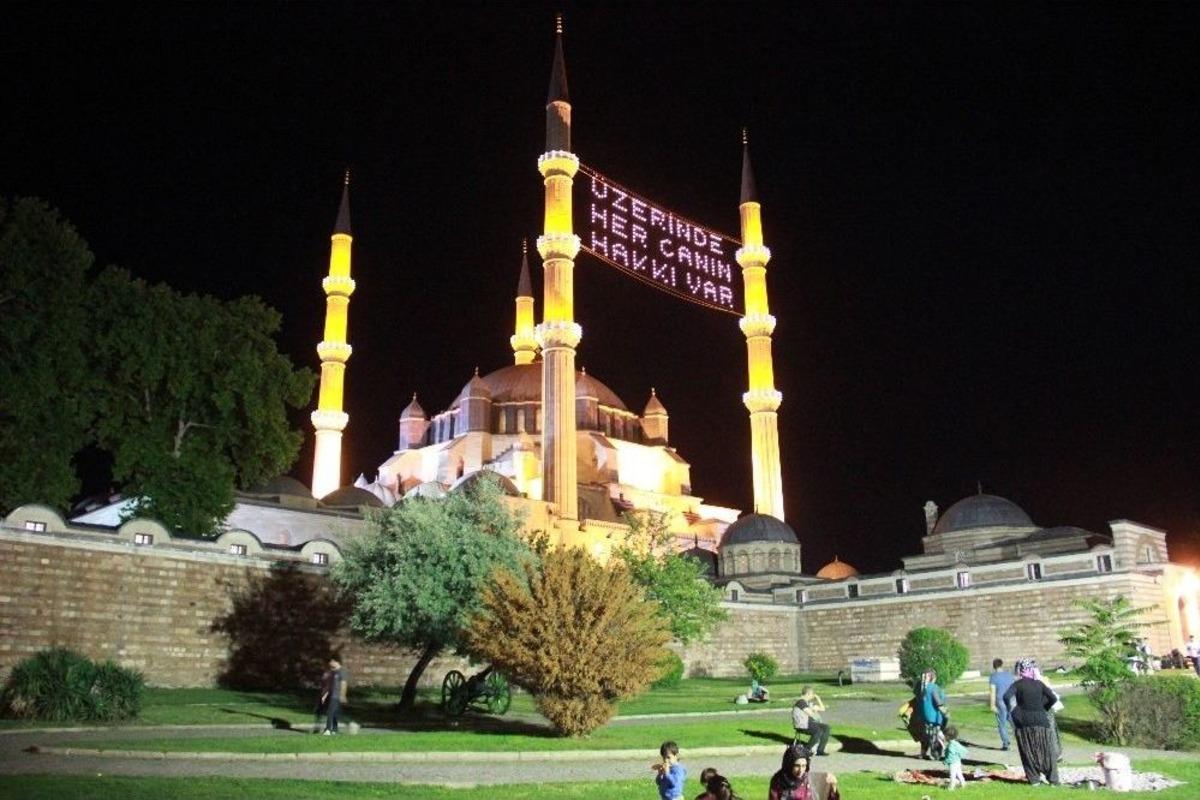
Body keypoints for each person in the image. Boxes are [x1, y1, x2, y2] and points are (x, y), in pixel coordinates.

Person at [1002, 658, 1060, 785]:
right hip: (1041, 720)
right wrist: (1044, 706)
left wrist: (1012, 710)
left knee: (1027, 750)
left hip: (1023, 721)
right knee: (1046, 750)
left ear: (1020, 670)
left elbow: (1006, 696)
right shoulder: (1039, 684)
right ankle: (1053, 780)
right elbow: (1053, 698)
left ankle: (1034, 779)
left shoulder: (1017, 684)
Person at [791, 686, 830, 755]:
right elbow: (811, 713)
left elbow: (823, 709)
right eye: (812, 694)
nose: (812, 696)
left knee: (826, 727)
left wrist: (818, 699)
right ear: (808, 694)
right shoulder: (801, 702)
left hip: (808, 723)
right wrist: (813, 709)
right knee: (818, 730)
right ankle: (807, 750)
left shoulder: (807, 703)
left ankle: (820, 750)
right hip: (801, 725)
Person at [918, 669, 948, 760]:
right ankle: (935, 754)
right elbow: (938, 702)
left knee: (926, 736)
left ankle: (923, 753)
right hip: (935, 717)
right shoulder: (933, 688)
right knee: (935, 737)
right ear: (934, 678)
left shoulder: (923, 689)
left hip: (925, 717)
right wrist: (945, 713)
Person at [987, 658, 1015, 751]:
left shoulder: (993, 677)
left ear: (994, 666)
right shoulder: (1009, 675)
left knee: (1002, 724)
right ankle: (1021, 739)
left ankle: (1006, 743)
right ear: (1002, 665)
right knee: (1013, 722)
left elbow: (992, 692)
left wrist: (992, 705)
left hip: (1000, 701)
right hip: (1011, 701)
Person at [320, 658, 344, 735]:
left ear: (337, 662)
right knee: (334, 712)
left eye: (332, 661)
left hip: (336, 695)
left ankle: (328, 729)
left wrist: (342, 695)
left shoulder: (342, 672)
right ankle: (335, 729)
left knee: (331, 712)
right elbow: (329, 686)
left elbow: (344, 684)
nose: (330, 663)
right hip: (331, 695)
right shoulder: (333, 672)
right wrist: (325, 696)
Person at [942, 725, 968, 790]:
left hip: (953, 763)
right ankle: (963, 784)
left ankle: (951, 787)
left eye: (944, 736)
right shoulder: (956, 743)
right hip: (958, 761)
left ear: (948, 737)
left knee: (952, 775)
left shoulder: (951, 746)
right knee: (959, 774)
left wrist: (945, 761)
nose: (944, 737)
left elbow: (950, 755)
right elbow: (963, 750)